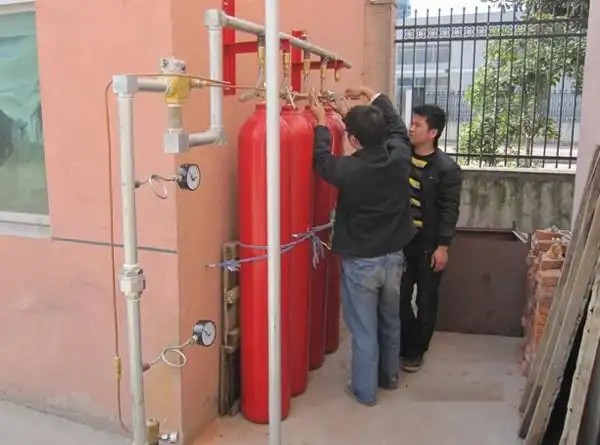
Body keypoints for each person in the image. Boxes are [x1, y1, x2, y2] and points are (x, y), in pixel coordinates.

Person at [309, 86, 415, 406]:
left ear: (353, 140)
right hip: (393, 257)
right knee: (390, 320)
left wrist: (320, 123)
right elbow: (397, 127)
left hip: (362, 263)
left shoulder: (349, 170)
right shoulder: (399, 156)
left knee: (364, 330)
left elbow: (321, 161)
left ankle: (365, 391)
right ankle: (389, 377)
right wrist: (370, 96)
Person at [400, 104, 463, 373]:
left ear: (433, 133)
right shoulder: (401, 157)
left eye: (418, 125)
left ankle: (417, 351)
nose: (411, 128)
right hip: (402, 243)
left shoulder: (447, 169)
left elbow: (450, 210)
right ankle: (406, 344)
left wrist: (443, 247)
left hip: (429, 245)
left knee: (426, 300)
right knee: (399, 297)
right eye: (411, 123)